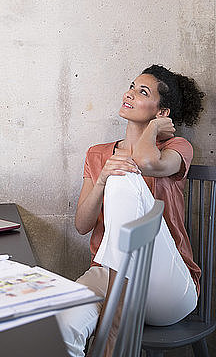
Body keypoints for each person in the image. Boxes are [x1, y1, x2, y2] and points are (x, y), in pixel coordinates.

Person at [56, 64, 205, 357]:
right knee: (61, 325)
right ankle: (115, 317)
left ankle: (115, 327)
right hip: (106, 274)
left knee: (123, 180)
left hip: (165, 284)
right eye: (132, 86)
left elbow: (148, 163)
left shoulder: (177, 146)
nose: (129, 93)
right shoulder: (98, 153)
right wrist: (100, 179)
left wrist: (151, 130)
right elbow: (82, 225)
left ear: (162, 113)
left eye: (142, 92)